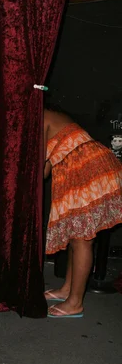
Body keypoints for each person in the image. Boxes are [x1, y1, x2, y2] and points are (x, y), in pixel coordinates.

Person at [43, 108, 122, 318]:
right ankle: (68, 290)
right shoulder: (47, 115)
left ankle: (75, 302)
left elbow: (39, 169)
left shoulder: (40, 118)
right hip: (80, 169)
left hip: (87, 168)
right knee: (75, 235)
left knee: (81, 239)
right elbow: (46, 166)